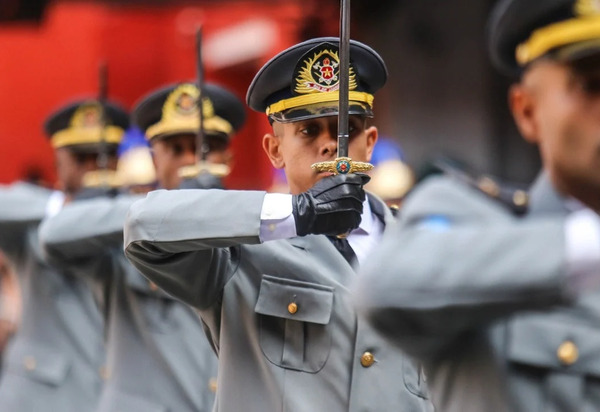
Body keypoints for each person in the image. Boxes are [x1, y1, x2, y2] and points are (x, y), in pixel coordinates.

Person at [124, 37, 433, 412]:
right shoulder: (241, 251)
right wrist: (299, 214)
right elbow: (143, 228)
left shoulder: (418, 248)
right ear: (274, 150)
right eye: (308, 131)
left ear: (369, 144)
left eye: (345, 129)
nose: (330, 146)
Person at [354, 1, 600, 411]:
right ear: (527, 111)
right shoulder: (470, 220)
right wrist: (585, 246)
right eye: (591, 85)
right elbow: (387, 286)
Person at [39, 82, 246, 411]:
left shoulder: (249, 229)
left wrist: (224, 211)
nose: (191, 161)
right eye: (176, 150)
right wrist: (164, 210)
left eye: (205, 149)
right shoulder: (124, 229)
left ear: (229, 156)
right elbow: (54, 235)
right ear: (154, 158)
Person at [0, 99, 128, 411]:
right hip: (44, 394)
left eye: (105, 156)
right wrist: (62, 207)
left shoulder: (127, 218)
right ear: (60, 162)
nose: (94, 167)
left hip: (117, 390)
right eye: (82, 157)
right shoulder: (35, 216)